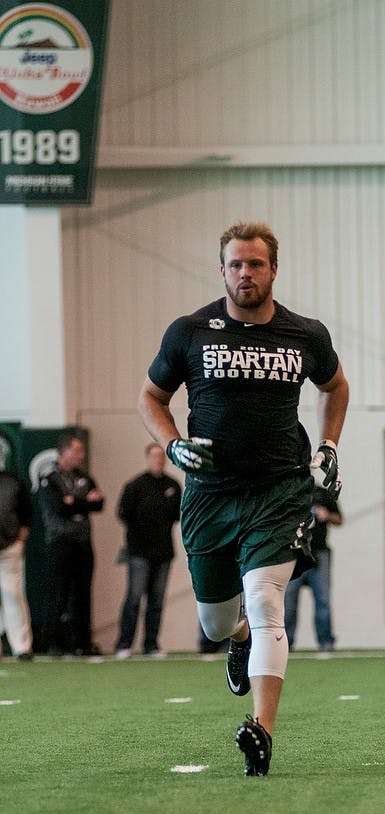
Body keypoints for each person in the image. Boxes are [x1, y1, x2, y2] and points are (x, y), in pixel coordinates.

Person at [138, 220, 349, 775]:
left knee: (265, 599)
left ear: (273, 269)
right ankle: (238, 640)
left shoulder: (305, 334)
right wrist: (174, 445)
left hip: (280, 488)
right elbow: (150, 398)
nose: (245, 273)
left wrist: (328, 446)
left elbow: (336, 386)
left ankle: (262, 729)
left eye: (256, 264)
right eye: (236, 264)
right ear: (221, 269)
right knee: (216, 622)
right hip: (210, 495)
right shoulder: (189, 332)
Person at [38, 432, 105, 656]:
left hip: (83, 543)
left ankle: (82, 643)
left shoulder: (84, 477)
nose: (80, 456)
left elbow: (99, 504)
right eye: (76, 451)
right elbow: (59, 507)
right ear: (63, 452)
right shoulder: (49, 478)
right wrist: (83, 502)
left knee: (83, 594)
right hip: (60, 543)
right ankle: (52, 643)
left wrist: (74, 502)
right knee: (57, 593)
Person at [115, 443, 182, 659]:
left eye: (161, 457)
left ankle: (151, 644)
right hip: (139, 552)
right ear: (147, 458)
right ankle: (124, 644)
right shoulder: (135, 486)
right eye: (154, 457)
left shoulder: (173, 485)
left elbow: (175, 516)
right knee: (134, 598)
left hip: (163, 552)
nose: (158, 461)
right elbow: (123, 514)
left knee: (157, 600)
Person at [284, 485, 342, 650]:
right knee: (289, 600)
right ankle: (286, 643)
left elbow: (339, 519)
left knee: (322, 599)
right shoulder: (289, 493)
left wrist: (327, 515)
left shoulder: (322, 494)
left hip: (319, 553)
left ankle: (326, 642)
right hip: (294, 554)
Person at [0, 466, 33, 660]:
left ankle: (22, 647)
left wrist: (21, 537)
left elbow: (26, 512)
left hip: (10, 546)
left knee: (12, 594)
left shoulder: (13, 481)